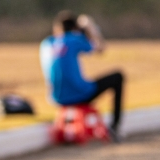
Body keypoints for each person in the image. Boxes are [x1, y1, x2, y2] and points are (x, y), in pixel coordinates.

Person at [39, 12, 124, 140]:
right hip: (80, 94)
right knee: (118, 77)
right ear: (74, 29)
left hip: (55, 97)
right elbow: (101, 48)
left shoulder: (46, 43)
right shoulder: (73, 39)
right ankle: (115, 127)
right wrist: (90, 27)